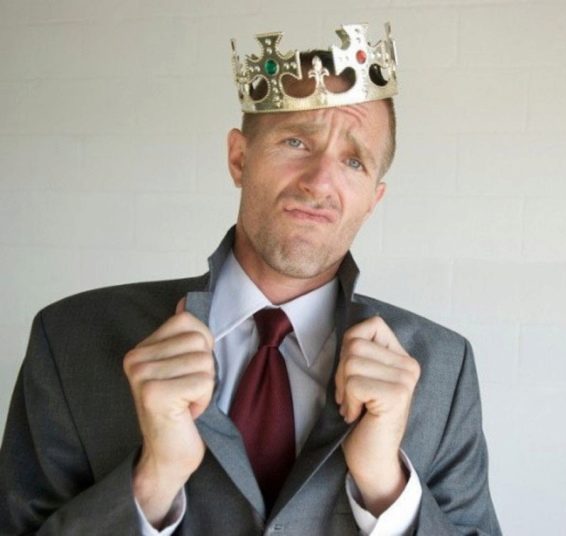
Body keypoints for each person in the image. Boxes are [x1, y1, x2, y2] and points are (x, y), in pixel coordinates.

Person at [0, 23, 501, 535]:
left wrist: (387, 489)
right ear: (239, 158)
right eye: (296, 141)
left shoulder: (443, 369)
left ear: (373, 199)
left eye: (353, 161)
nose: (320, 182)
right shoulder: (71, 339)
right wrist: (152, 482)